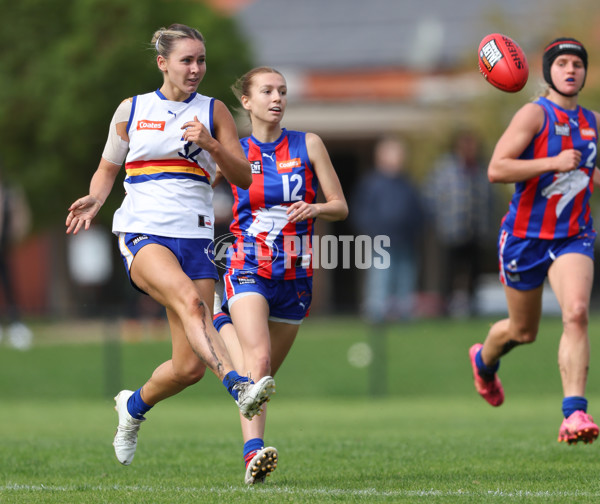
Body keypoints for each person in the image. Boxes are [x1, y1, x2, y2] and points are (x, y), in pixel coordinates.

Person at [65, 24, 275, 466]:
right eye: (186, 60)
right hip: (143, 233)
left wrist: (213, 145)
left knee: (187, 368)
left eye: (201, 60)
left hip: (195, 238)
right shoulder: (133, 108)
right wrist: (95, 199)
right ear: (163, 63)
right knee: (190, 303)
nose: (196, 68)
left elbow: (243, 177)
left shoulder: (214, 111)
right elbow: (108, 169)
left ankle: (133, 407)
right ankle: (238, 386)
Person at [212, 66, 348, 484]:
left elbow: (340, 205)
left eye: (283, 91)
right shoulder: (233, 152)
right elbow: (197, 189)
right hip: (247, 264)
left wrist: (317, 208)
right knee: (259, 360)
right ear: (247, 102)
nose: (277, 98)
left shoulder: (308, 145)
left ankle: (217, 319)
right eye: (267, 91)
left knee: (261, 380)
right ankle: (254, 453)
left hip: (295, 274)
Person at [469, 37, 600, 445]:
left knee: (576, 312)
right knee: (523, 332)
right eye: (562, 63)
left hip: (573, 236)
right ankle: (483, 361)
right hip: (525, 239)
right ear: (548, 72)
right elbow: (497, 168)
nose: (571, 70)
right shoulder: (534, 115)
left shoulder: (594, 122)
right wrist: (552, 162)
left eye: (577, 63)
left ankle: (574, 413)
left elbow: (590, 175)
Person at [424, 130, 497, 317]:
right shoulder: (445, 169)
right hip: (452, 232)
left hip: (476, 232)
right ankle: (445, 310)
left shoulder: (481, 169)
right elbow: (432, 197)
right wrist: (440, 221)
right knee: (448, 273)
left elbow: (490, 200)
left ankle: (473, 308)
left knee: (474, 273)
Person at [351, 136, 424, 323]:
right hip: (380, 241)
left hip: (405, 240)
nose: (399, 157)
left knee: (405, 279)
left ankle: (404, 316)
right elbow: (361, 211)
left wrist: (415, 229)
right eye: (394, 153)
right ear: (381, 156)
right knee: (380, 279)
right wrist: (373, 231)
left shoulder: (407, 184)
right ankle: (376, 315)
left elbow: (417, 210)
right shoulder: (371, 184)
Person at [0, 158, 33, 350]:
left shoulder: (10, 192)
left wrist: (16, 233)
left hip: (4, 248)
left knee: (9, 285)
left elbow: (21, 218)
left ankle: (15, 323)